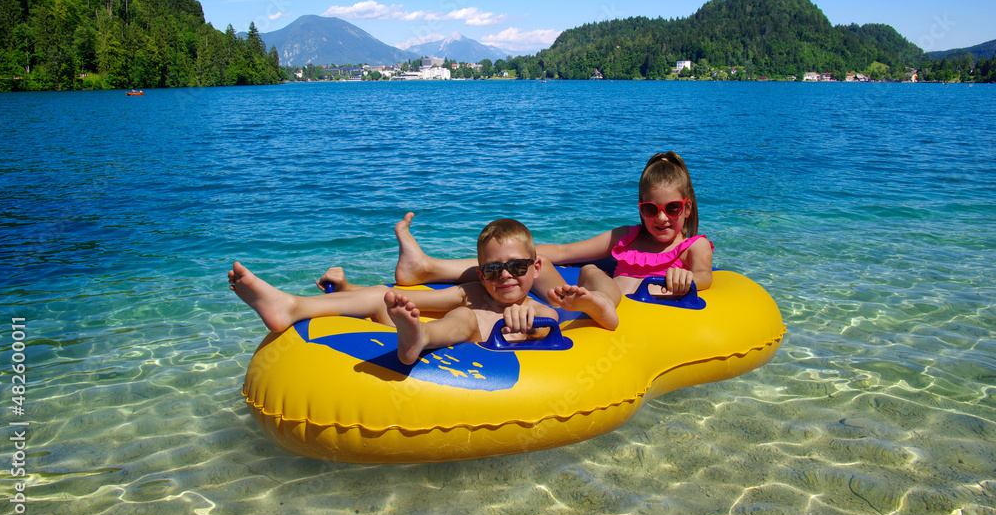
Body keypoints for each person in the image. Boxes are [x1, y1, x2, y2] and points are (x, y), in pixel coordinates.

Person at [230, 219, 614, 366]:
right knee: (387, 296)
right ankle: (291, 306)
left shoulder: (541, 306)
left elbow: (608, 322)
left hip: (463, 336)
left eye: (516, 268)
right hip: (452, 319)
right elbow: (408, 299)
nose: (506, 277)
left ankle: (417, 338)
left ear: (536, 268)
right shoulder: (470, 293)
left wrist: (583, 306)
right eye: (494, 270)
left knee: (464, 321)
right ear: (481, 274)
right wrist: (355, 291)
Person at [391, 152, 713, 303]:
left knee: (535, 269)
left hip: (612, 310)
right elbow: (563, 251)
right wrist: (525, 259)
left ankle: (424, 269)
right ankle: (427, 268)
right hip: (585, 304)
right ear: (640, 209)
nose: (661, 218)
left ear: (686, 207)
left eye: (672, 208)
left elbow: (705, 275)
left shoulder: (692, 246)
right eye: (650, 209)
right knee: (515, 265)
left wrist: (686, 277)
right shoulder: (626, 237)